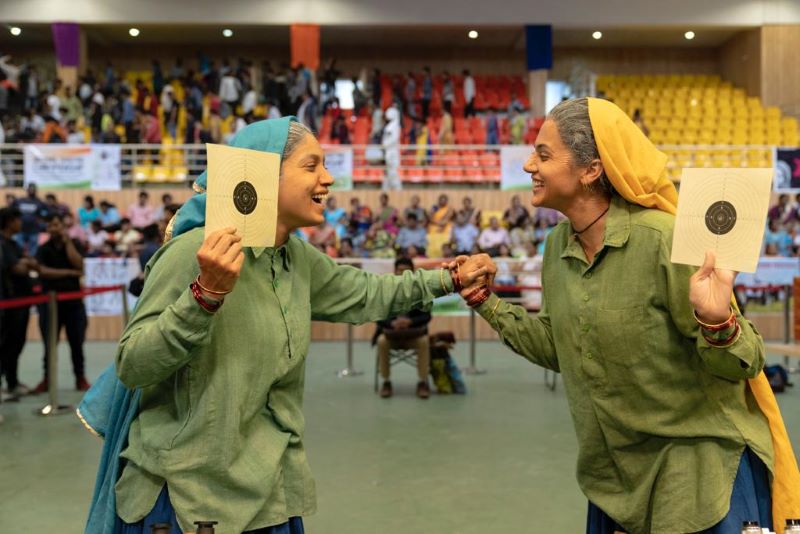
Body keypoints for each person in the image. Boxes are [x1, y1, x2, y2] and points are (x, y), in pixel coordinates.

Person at [80, 117, 489, 533]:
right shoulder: (193, 253)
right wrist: (204, 295)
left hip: (271, 494)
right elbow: (133, 364)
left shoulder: (295, 258)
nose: (327, 178)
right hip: (188, 502)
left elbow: (368, 292)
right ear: (260, 175)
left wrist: (450, 279)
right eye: (311, 165)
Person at [451, 97, 800, 533]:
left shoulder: (663, 239)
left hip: (697, 471)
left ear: (591, 170)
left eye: (543, 154)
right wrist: (486, 300)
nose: (528, 165)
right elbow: (561, 348)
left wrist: (717, 321)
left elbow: (745, 362)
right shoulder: (558, 246)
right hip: (614, 476)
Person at [35, 214, 90, 392]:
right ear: (47, 229)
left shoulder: (74, 244)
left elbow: (80, 265)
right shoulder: (43, 249)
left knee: (77, 343)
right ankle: (47, 379)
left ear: (63, 227)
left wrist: (68, 244)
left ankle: (80, 377)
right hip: (50, 304)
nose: (54, 228)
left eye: (57, 225)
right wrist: (69, 273)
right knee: (49, 344)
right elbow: (43, 271)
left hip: (73, 303)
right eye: (51, 226)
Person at [374, 257, 433, 399]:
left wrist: (409, 322)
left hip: (414, 335)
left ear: (412, 272)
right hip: (391, 335)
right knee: (381, 341)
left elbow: (426, 316)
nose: (402, 273)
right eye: (400, 270)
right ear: (394, 271)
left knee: (424, 341)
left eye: (406, 271)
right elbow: (378, 316)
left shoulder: (421, 291)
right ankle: (386, 382)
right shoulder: (385, 290)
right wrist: (392, 324)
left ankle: (422, 382)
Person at [0, 207, 37, 398]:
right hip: (8, 303)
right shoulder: (2, 244)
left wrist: (26, 262)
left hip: (21, 302)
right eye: (17, 219)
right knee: (4, 344)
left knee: (16, 343)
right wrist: (25, 263)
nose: (20, 223)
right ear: (9, 221)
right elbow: (18, 268)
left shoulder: (13, 244)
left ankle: (12, 382)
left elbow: (27, 262)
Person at [12, 183, 47, 255]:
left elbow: (45, 213)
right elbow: (12, 210)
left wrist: (41, 221)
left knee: (33, 253)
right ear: (27, 190)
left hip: (33, 231)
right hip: (20, 230)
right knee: (18, 251)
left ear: (36, 190)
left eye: (33, 189)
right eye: (30, 189)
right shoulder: (20, 201)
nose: (31, 190)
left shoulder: (39, 202)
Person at [382, 106, 402, 190]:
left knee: (393, 173)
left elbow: (393, 139)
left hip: (392, 152)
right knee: (387, 173)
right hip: (388, 152)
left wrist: (385, 144)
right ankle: (385, 190)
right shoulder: (390, 126)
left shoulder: (395, 126)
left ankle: (398, 190)